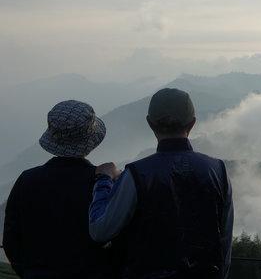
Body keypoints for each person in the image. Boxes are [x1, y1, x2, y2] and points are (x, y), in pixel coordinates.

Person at [89, 88, 234, 279]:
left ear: (150, 123)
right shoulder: (218, 170)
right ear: (192, 124)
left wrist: (103, 181)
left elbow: (100, 231)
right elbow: (224, 241)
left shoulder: (136, 174)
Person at [2, 100, 110, 278]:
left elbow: (11, 239)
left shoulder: (27, 181)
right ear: (90, 140)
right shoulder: (101, 184)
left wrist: (28, 271)